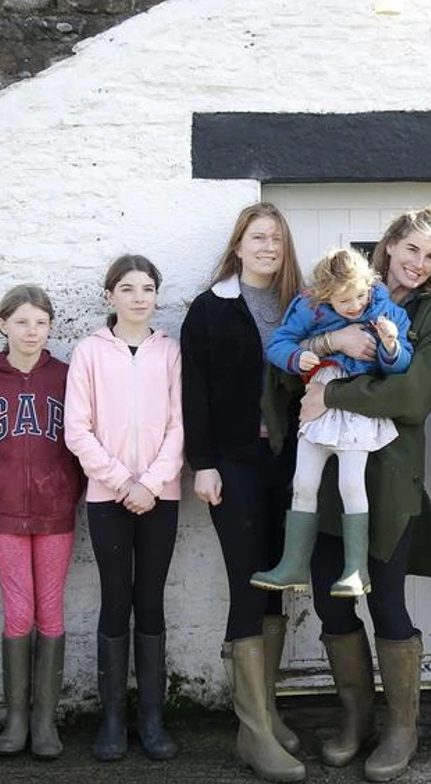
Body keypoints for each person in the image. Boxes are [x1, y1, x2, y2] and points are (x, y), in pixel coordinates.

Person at [298, 206, 431, 782]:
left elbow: (414, 395)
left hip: (391, 482)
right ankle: (356, 718)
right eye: (410, 249)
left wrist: (336, 393)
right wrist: (329, 339)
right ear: (389, 245)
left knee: (386, 603)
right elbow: (297, 356)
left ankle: (402, 727)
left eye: (430, 256)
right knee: (329, 599)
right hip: (328, 483)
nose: (418, 264)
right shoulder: (343, 290)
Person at [181, 202, 307, 782]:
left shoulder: (298, 304)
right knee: (246, 583)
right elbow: (195, 394)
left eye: (276, 240)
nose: (267, 248)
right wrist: (201, 464)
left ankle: (267, 712)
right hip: (233, 464)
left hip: (288, 463)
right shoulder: (209, 309)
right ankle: (254, 735)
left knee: (277, 583)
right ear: (237, 245)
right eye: (258, 238)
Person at [0, 285, 82, 760]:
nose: (32, 331)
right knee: (17, 612)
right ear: (2, 324)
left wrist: (72, 488)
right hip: (5, 513)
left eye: (41, 322)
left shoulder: (68, 377)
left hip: (56, 511)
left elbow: (83, 439)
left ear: (51, 327)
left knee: (51, 610)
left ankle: (46, 721)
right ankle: (16, 719)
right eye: (22, 322)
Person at [65, 254, 184, 762]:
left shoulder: (171, 352)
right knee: (116, 599)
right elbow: (77, 430)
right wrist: (121, 482)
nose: (140, 297)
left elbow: (180, 425)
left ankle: (152, 720)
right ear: (110, 296)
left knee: (151, 600)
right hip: (108, 498)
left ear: (157, 296)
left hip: (161, 496)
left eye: (148, 288)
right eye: (128, 289)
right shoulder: (88, 352)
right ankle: (112, 720)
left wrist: (152, 483)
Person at [251, 247, 413, 598]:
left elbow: (398, 366)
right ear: (326, 296)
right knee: (303, 481)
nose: (354, 306)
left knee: (351, 484)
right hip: (318, 401)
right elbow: (278, 344)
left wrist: (390, 344)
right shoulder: (311, 308)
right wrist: (298, 356)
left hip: (354, 405)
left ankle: (357, 569)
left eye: (359, 295)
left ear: (369, 285)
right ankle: (293, 564)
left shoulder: (385, 311)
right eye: (343, 301)